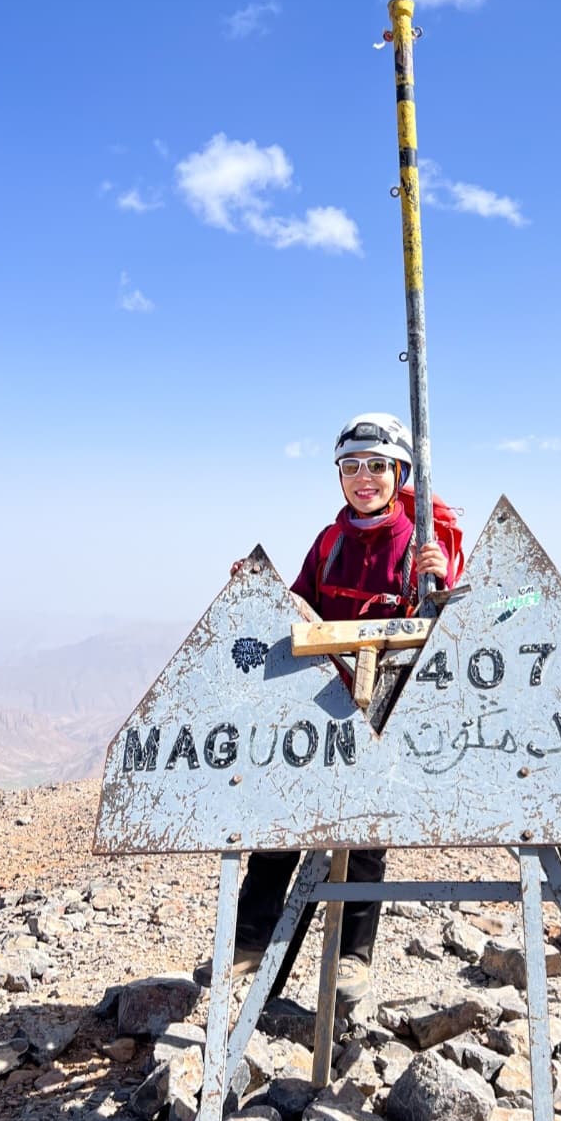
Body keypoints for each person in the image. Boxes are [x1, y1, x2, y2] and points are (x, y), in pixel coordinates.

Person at [196, 412, 455, 1009]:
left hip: (386, 710)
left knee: (364, 835)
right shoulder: (330, 542)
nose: (363, 478)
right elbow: (299, 614)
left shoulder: (423, 543)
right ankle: (249, 941)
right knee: (284, 816)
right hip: (323, 705)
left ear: (400, 473)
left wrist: (438, 582)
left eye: (377, 467)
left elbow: (453, 628)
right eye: (351, 467)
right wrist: (260, 589)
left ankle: (352, 959)